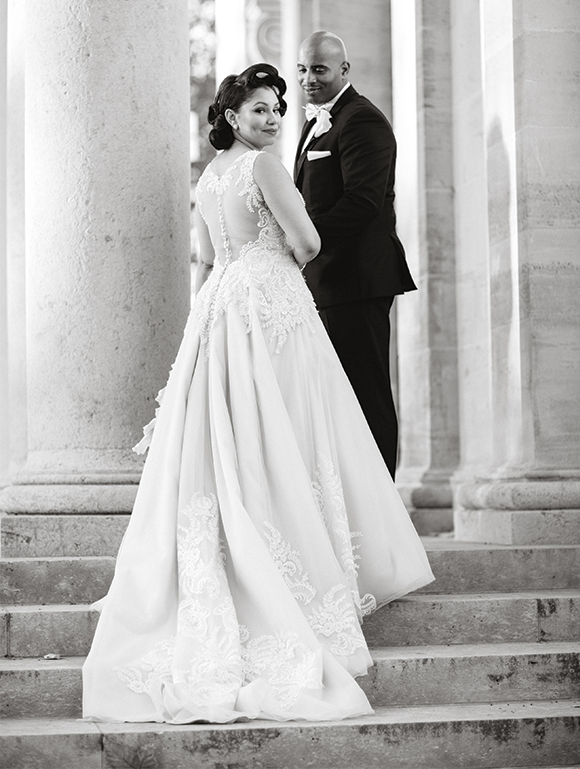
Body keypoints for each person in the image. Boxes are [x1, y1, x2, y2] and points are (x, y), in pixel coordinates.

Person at [81, 63, 433, 724]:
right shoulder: (266, 168)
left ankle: (258, 547)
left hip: (221, 302)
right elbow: (306, 241)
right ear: (233, 117)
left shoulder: (208, 178)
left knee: (241, 433)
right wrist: (292, 244)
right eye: (260, 110)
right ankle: (301, 554)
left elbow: (213, 254)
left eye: (277, 108)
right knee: (292, 427)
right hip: (269, 300)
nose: (273, 118)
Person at [293, 31, 416, 477]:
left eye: (319, 69)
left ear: (344, 70)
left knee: (367, 395)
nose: (309, 78)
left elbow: (363, 203)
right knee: (336, 399)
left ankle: (384, 506)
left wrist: (298, 237)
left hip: (358, 281)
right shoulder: (315, 122)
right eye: (303, 69)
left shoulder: (362, 120)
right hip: (327, 281)